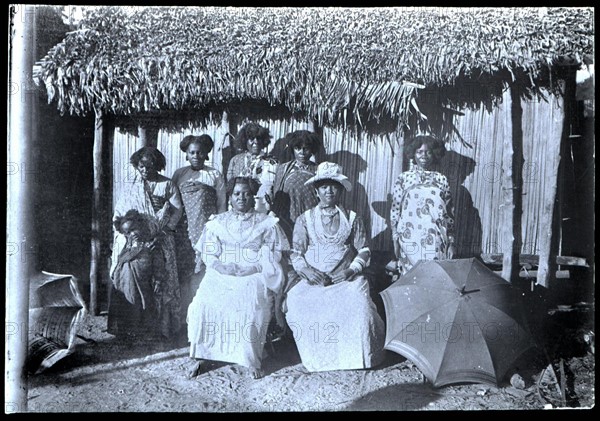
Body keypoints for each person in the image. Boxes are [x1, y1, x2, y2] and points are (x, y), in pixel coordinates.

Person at [284, 162, 385, 372]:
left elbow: (364, 249)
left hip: (345, 277)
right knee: (297, 300)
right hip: (314, 278)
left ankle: (357, 358)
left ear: (340, 189)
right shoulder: (305, 219)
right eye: (324, 186)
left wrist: (351, 270)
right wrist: (308, 272)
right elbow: (296, 252)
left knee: (359, 304)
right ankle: (317, 359)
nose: (328, 191)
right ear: (316, 190)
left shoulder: (352, 217)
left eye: (333, 186)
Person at [186, 177, 289, 380]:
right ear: (230, 197)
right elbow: (208, 252)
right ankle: (201, 354)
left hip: (254, 270)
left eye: (246, 193)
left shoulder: (266, 221)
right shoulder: (218, 221)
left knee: (249, 303)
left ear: (253, 197)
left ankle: (250, 358)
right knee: (203, 302)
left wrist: (254, 267)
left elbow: (272, 253)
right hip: (222, 270)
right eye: (237, 194)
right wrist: (220, 266)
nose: (241, 197)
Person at [111, 146, 183, 341]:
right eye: (141, 166)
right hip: (134, 240)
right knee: (128, 273)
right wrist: (129, 237)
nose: (145, 171)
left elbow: (176, 211)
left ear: (158, 166)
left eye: (149, 167)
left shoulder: (167, 185)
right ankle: (130, 326)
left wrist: (162, 232)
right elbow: (119, 214)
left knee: (161, 280)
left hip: (160, 238)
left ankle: (159, 329)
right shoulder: (132, 186)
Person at [171, 135, 227, 318]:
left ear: (206, 154)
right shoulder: (179, 174)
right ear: (186, 155)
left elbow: (222, 204)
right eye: (192, 152)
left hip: (206, 229)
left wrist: (217, 228)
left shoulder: (214, 174)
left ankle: (204, 316)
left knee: (204, 271)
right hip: (184, 231)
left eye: (200, 152)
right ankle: (184, 319)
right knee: (185, 272)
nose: (196, 156)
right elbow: (174, 202)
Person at [389, 135, 456, 276]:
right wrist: (395, 238)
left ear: (434, 155)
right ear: (413, 154)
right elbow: (395, 210)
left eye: (428, 152)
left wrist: (451, 241)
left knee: (434, 276)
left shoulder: (441, 179)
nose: (424, 155)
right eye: (419, 152)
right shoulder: (404, 179)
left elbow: (449, 213)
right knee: (411, 277)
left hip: (437, 238)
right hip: (409, 239)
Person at [107, 210, 162, 340]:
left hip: (144, 280)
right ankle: (128, 332)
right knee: (129, 304)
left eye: (134, 229)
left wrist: (159, 279)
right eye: (127, 232)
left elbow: (158, 263)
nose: (132, 234)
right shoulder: (127, 246)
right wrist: (133, 247)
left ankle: (143, 332)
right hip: (127, 283)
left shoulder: (151, 244)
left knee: (144, 305)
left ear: (140, 226)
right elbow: (121, 259)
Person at [271, 130, 321, 242]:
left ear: (312, 149)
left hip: (311, 215)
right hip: (287, 215)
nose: (302, 152)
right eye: (298, 148)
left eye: (306, 148)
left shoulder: (319, 170)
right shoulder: (283, 169)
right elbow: (277, 194)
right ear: (292, 149)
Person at [226, 122, 277, 212]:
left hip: (263, 209)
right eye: (251, 138)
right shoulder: (235, 160)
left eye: (259, 138)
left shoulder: (273, 162)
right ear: (244, 140)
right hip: (239, 208)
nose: (256, 141)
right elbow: (230, 187)